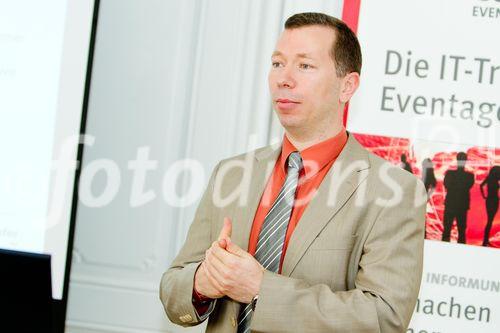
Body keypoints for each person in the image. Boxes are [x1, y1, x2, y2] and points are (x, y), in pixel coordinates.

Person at [160, 12, 427, 333]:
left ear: (347, 86)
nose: (284, 78)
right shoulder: (231, 173)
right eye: (277, 63)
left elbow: (384, 317)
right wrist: (202, 282)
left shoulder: (393, 191)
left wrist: (261, 288)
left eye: (305, 65)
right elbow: (174, 287)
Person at [441, 152, 475, 244]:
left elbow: (447, 185)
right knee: (461, 232)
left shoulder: (449, 174)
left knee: (447, 231)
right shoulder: (469, 176)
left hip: (451, 204)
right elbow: (467, 186)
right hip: (462, 206)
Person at [480, 166, 499, 247]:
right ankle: (485, 241)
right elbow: (481, 186)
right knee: (490, 221)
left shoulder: (490, 178)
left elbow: (481, 185)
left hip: (490, 200)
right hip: (494, 200)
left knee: (490, 221)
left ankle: (485, 240)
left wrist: (484, 196)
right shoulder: (495, 180)